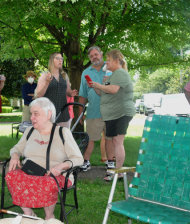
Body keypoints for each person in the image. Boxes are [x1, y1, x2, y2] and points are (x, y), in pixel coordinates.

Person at [5, 97, 84, 219]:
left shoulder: (62, 132)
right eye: (31, 114)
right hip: (30, 171)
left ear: (49, 115)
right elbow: (17, 148)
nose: (31, 118)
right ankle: (28, 213)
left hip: (55, 174)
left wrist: (61, 166)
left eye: (36, 114)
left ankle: (49, 216)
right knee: (11, 175)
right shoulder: (30, 131)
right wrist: (15, 156)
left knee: (47, 183)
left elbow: (78, 158)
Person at [89, 49, 135, 181]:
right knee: (114, 141)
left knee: (118, 141)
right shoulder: (112, 75)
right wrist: (96, 87)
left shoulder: (120, 72)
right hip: (112, 114)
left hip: (122, 112)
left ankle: (118, 171)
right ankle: (117, 171)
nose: (106, 62)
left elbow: (113, 90)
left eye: (108, 60)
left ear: (116, 60)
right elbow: (103, 93)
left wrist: (100, 85)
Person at [78, 46, 115, 172]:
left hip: (111, 111)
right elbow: (82, 94)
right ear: (89, 58)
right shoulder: (86, 72)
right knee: (90, 138)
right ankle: (85, 162)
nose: (94, 57)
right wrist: (81, 113)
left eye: (96, 54)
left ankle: (111, 162)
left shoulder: (110, 67)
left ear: (101, 54)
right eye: (91, 56)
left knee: (110, 138)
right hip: (93, 111)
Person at [35, 53, 78, 128]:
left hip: (63, 114)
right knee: (48, 138)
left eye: (61, 59)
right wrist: (47, 83)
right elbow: (38, 95)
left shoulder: (64, 75)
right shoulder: (45, 76)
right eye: (57, 58)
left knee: (63, 137)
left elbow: (68, 91)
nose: (60, 60)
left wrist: (71, 93)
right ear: (52, 60)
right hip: (48, 114)